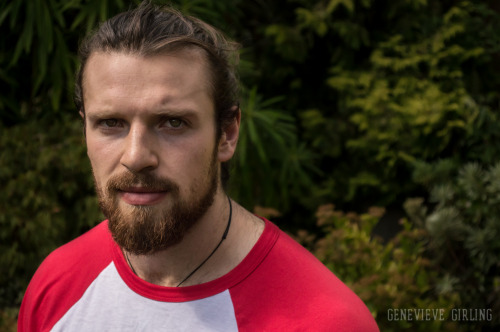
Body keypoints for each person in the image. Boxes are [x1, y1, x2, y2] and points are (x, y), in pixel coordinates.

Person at [18, 2, 379, 331]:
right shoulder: (57, 285)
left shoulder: (327, 322)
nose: (136, 156)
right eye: (111, 123)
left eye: (172, 122)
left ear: (227, 134)